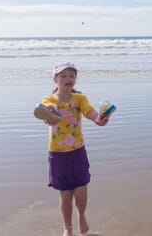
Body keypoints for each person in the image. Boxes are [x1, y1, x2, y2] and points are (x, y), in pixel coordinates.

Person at [40, 61, 110, 236]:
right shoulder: (49, 100)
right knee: (65, 195)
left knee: (81, 190)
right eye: (63, 75)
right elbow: (49, 111)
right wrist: (50, 116)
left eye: (72, 75)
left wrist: (98, 119)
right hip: (58, 154)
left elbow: (89, 112)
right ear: (55, 79)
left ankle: (82, 217)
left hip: (78, 151)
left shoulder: (80, 98)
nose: (68, 78)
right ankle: (68, 228)